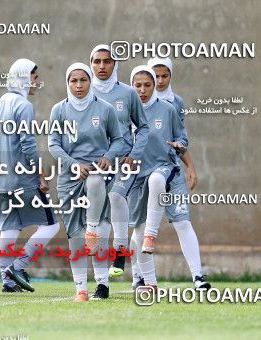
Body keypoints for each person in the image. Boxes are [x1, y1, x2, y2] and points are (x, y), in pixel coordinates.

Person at [48, 62, 123, 301]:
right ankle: (80, 288)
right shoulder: (59, 110)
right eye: (73, 80)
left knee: (98, 229)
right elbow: (53, 144)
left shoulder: (106, 109)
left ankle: (102, 285)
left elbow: (119, 140)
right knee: (75, 236)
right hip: (69, 177)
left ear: (91, 81)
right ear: (67, 83)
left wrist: (108, 157)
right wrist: (73, 164)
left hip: (98, 174)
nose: (78, 85)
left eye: (83, 80)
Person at [0, 58, 59, 293]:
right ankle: (18, 266)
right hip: (23, 178)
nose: (37, 82)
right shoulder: (23, 105)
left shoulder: (2, 102)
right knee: (51, 226)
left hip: (3, 179)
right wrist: (41, 175)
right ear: (23, 77)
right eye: (34, 77)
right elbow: (28, 145)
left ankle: (7, 281)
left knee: (10, 228)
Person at [146, 57, 211, 289]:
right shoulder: (136, 100)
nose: (160, 80)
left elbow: (179, 140)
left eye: (165, 75)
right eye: (156, 76)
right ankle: (140, 278)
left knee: (182, 222)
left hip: (170, 171)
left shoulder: (176, 102)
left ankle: (197, 277)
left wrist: (190, 167)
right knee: (140, 226)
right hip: (142, 171)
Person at [89, 44, 149, 283]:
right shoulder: (83, 91)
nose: (102, 66)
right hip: (94, 167)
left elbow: (143, 127)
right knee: (98, 224)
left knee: (116, 196)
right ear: (91, 63)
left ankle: (121, 250)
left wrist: (134, 155)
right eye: (97, 61)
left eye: (108, 61)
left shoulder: (127, 93)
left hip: (123, 162)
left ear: (115, 64)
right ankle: (101, 284)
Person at [128, 65, 188, 290]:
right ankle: (146, 282)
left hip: (162, 166)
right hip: (134, 175)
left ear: (155, 86)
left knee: (156, 180)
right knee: (137, 230)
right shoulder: (124, 111)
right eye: (138, 85)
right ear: (132, 86)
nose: (143, 90)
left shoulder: (168, 109)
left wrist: (179, 145)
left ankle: (152, 235)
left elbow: (182, 137)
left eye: (147, 85)